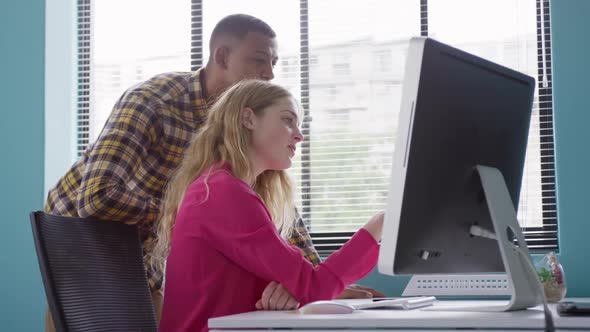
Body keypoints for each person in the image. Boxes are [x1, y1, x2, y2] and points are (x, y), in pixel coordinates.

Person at [43, 13, 382, 331]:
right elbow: (98, 197)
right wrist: (193, 214)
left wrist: (312, 281)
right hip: (84, 240)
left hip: (152, 252)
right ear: (222, 57)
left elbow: (276, 223)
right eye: (259, 60)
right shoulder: (156, 102)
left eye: (274, 63)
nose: (269, 73)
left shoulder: (240, 159)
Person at [154, 79, 384, 332]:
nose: (299, 134)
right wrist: (380, 224)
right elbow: (312, 285)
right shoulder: (223, 193)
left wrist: (289, 290)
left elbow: (291, 286)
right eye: (288, 120)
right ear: (249, 119)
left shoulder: (220, 186)